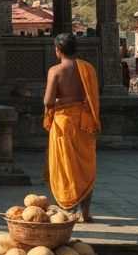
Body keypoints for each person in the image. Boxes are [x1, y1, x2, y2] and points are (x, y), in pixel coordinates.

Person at [43, 32, 100, 222]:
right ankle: (85, 213)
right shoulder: (88, 68)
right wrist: (75, 99)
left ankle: (66, 210)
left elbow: (49, 101)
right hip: (84, 123)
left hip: (64, 124)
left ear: (58, 50)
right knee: (85, 168)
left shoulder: (55, 71)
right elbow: (91, 96)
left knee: (65, 168)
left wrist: (63, 100)